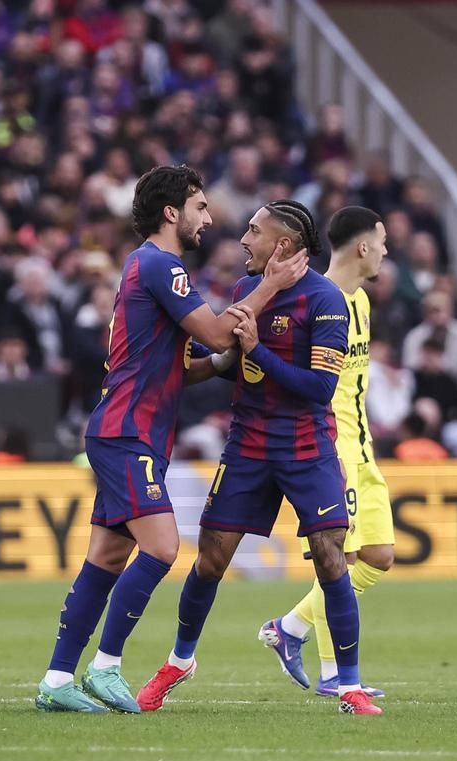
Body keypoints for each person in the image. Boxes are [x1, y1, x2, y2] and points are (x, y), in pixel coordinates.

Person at [33, 165, 309, 714]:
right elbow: (210, 331)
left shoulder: (149, 269)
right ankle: (105, 666)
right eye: (201, 207)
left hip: (131, 429)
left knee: (108, 558)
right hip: (127, 431)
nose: (209, 218)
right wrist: (270, 287)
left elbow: (187, 367)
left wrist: (235, 356)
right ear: (171, 212)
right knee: (162, 547)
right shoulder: (161, 264)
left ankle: (57, 680)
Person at [134, 201, 382, 716]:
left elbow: (318, 389)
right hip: (248, 444)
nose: (243, 239)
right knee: (209, 560)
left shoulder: (327, 301)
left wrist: (258, 351)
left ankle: (349, 685)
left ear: (283, 246)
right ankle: (179, 661)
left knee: (334, 560)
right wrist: (170, 371)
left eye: (254, 230)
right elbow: (233, 361)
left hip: (306, 446)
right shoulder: (247, 291)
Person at [257, 206, 394, 700]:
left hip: (363, 445)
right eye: (381, 242)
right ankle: (335, 673)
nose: (385, 251)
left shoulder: (360, 302)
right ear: (362, 247)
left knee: (378, 556)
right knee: (338, 556)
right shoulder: (319, 299)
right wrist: (327, 448)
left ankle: (290, 628)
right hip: (331, 444)